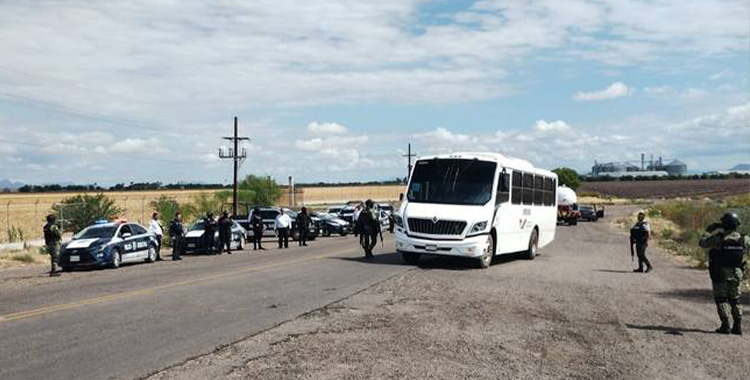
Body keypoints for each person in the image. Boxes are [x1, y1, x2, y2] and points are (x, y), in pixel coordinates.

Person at [699, 212, 749, 335]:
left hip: (720, 271)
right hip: (737, 273)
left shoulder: (719, 238)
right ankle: (737, 326)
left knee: (721, 299)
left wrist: (708, 230)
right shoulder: (744, 239)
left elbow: (702, 243)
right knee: (735, 299)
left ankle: (725, 325)